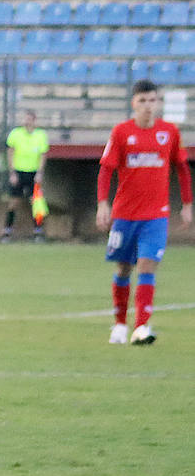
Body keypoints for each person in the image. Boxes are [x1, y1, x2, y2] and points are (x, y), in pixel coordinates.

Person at [97, 79, 192, 346]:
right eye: (143, 101)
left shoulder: (169, 132)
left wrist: (187, 205)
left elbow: (183, 169)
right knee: (124, 268)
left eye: (153, 101)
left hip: (156, 216)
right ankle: (119, 324)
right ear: (133, 104)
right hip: (125, 215)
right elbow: (106, 170)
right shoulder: (121, 133)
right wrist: (102, 203)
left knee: (147, 264)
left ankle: (141, 326)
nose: (148, 106)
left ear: (158, 102)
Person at [1, 109, 48, 243]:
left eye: (29, 118)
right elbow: (10, 152)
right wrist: (12, 172)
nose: (26, 121)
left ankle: (38, 232)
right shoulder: (16, 134)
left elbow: (43, 155)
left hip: (33, 173)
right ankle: (7, 231)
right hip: (19, 171)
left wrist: (40, 173)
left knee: (36, 202)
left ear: (34, 120)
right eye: (25, 118)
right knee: (14, 202)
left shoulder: (41, 135)